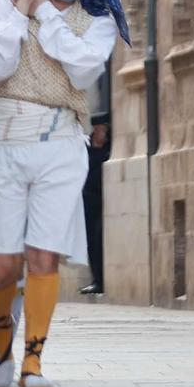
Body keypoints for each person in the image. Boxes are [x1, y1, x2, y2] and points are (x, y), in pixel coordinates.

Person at [0, 0, 126, 387]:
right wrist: (24, 8)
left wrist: (44, 12)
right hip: (4, 135)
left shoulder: (99, 18)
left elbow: (83, 68)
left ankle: (32, 360)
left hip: (61, 139)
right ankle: (2, 329)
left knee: (44, 254)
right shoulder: (4, 3)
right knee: (1, 267)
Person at [80, 67, 111, 295]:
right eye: (97, 128)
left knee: (101, 239)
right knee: (91, 240)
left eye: (103, 129)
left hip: (103, 200)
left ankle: (101, 279)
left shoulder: (107, 151)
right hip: (88, 202)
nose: (99, 132)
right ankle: (96, 278)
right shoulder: (87, 148)